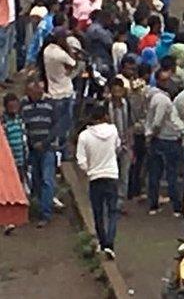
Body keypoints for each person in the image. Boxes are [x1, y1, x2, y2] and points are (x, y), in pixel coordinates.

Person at [76, 104, 120, 259]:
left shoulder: (84, 136)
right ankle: (110, 242)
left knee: (98, 212)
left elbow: (80, 161)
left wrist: (89, 170)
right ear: (105, 116)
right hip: (112, 175)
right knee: (113, 211)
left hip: (95, 177)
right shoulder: (113, 131)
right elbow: (117, 147)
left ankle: (103, 243)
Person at [145, 68, 183, 216]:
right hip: (166, 139)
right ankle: (176, 206)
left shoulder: (155, 96)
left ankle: (153, 204)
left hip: (160, 139)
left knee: (156, 172)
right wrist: (153, 134)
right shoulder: (163, 100)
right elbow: (157, 122)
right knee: (170, 173)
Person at [20, 80, 56, 226]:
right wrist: (32, 143)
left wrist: (45, 142)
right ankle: (38, 207)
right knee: (35, 180)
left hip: (48, 148)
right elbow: (23, 126)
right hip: (32, 149)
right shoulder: (23, 105)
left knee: (47, 180)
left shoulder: (50, 104)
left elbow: (56, 126)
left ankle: (45, 213)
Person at [43, 28, 78, 157]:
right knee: (65, 125)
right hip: (64, 92)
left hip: (52, 91)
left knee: (54, 125)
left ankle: (54, 151)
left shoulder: (47, 51)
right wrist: (69, 49)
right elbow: (73, 63)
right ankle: (63, 153)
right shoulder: (60, 54)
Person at [107, 78, 133, 211]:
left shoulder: (127, 104)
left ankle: (120, 202)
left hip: (125, 143)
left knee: (124, 175)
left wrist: (130, 143)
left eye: (120, 90)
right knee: (111, 175)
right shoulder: (106, 106)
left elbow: (130, 124)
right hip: (110, 146)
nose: (117, 93)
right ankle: (111, 201)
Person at [0, 0, 15, 86]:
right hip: (2, 24)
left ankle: (5, 75)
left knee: (8, 51)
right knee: (2, 52)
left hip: (10, 21)